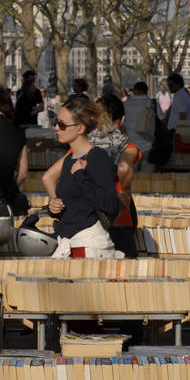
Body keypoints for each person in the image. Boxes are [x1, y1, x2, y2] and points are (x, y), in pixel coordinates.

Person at [43, 94, 140, 257]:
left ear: (79, 129)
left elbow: (108, 204)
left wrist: (81, 176)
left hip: (91, 246)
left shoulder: (97, 157)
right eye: (55, 122)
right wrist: (54, 206)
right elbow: (73, 204)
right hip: (70, 242)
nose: (56, 128)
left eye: (61, 124)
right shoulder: (70, 159)